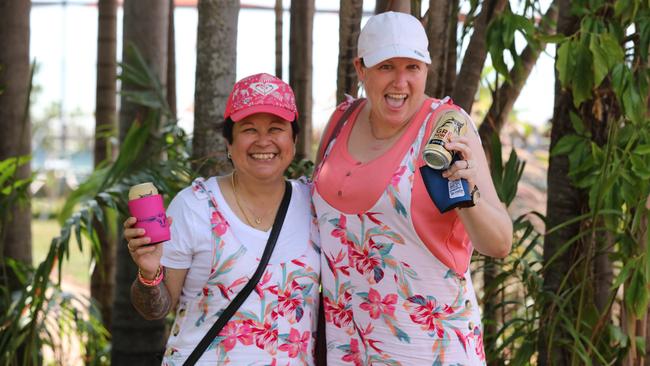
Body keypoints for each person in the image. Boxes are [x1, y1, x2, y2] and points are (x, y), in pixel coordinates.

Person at [312, 12, 513, 365]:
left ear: (426, 70)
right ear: (361, 69)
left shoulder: (446, 126)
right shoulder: (340, 121)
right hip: (349, 350)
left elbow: (498, 243)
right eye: (386, 67)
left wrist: (467, 194)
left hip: (431, 349)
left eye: (413, 68)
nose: (400, 82)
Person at [125, 73, 320, 365]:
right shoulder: (195, 207)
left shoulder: (316, 205)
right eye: (249, 129)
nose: (263, 141)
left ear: (293, 139)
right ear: (229, 142)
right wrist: (149, 274)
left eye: (276, 128)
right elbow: (156, 309)